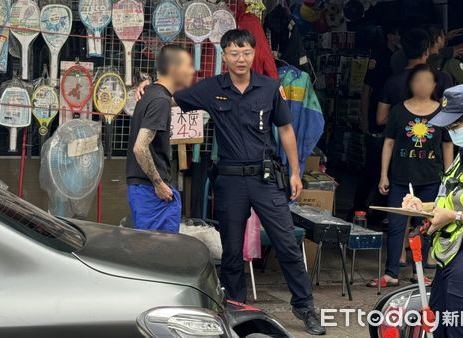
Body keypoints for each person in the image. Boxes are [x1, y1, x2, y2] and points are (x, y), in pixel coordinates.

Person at [136, 29, 325, 335]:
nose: (240, 59)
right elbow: (172, 97)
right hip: (231, 181)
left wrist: (294, 171)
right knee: (232, 253)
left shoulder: (269, 87)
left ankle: (305, 307)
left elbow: (287, 129)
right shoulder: (211, 88)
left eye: (246, 53)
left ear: (254, 54)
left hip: (265, 180)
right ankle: (238, 311)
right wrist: (150, 87)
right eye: (234, 53)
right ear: (224, 56)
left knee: (288, 245)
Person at [403, 84, 463, 338]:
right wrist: (422, 206)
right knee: (439, 331)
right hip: (450, 262)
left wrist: (454, 217)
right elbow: (454, 202)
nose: (450, 132)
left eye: (454, 126)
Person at [367, 64, 454, 288]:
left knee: (425, 226)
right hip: (400, 178)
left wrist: (449, 176)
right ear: (410, 84)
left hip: (431, 179)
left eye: (427, 80)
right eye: (418, 80)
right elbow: (389, 143)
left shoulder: (443, 112)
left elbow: (447, 145)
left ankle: (420, 272)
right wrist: (383, 175)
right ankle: (391, 273)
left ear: (435, 85)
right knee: (396, 225)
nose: (422, 85)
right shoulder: (398, 110)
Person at [126, 45, 194, 232]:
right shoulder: (159, 101)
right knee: (158, 254)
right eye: (187, 66)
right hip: (150, 192)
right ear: (174, 69)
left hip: (145, 190)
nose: (192, 71)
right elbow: (140, 147)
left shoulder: (153, 94)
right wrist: (159, 184)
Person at [350, 21, 400, 222]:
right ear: (389, 36)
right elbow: (366, 89)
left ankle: (378, 213)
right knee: (371, 169)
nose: (399, 39)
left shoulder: (400, 59)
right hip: (376, 123)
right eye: (396, 35)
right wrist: (363, 117)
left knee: (386, 170)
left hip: (391, 125)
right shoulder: (379, 58)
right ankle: (358, 208)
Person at [377, 28, 453, 127]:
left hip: (402, 139)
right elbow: (448, 115)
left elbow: (381, 119)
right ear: (426, 51)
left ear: (404, 51)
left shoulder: (392, 82)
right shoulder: (442, 79)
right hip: (433, 138)